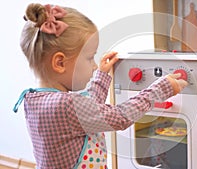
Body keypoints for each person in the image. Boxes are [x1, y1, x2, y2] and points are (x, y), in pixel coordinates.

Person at [13, 3, 188, 169]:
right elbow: (120, 117)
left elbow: (90, 111)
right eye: (90, 58)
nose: (94, 65)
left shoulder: (33, 99)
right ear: (60, 63)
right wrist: (160, 90)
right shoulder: (66, 105)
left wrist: (102, 75)